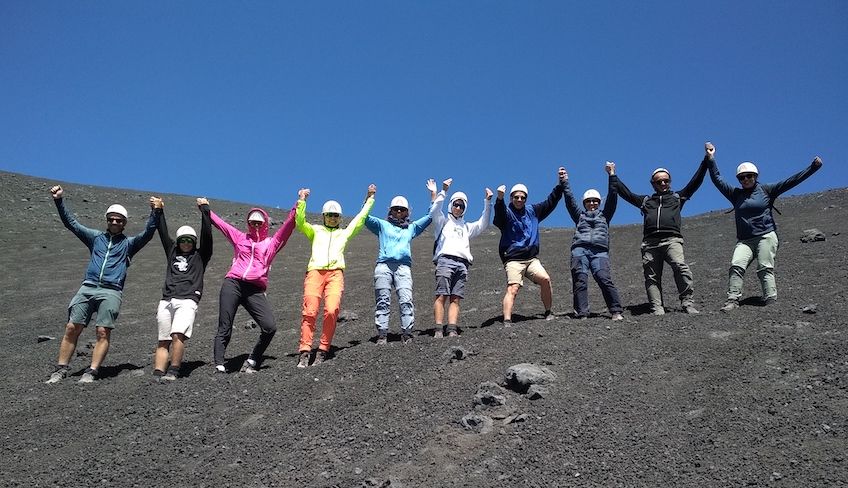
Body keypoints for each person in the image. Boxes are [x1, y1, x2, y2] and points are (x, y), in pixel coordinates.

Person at [45, 186, 161, 384]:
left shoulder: (129, 244)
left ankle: (92, 371)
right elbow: (71, 223)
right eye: (111, 219)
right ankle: (61, 369)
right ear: (107, 220)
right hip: (88, 287)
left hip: (111, 291)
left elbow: (148, 233)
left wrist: (156, 211)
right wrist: (59, 200)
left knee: (102, 331)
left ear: (124, 223)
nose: (114, 222)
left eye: (118, 220)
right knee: (72, 327)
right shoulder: (95, 238)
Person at [704, 142, 823, 311]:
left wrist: (812, 168)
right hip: (744, 240)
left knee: (764, 267)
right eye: (742, 177)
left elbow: (791, 181)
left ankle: (770, 299)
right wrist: (711, 157)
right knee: (736, 265)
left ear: (755, 176)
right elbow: (717, 179)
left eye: (749, 176)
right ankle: (732, 299)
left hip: (766, 236)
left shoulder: (766, 190)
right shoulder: (735, 194)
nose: (746, 179)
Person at [613, 148, 709, 315]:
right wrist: (612, 174)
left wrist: (707, 160)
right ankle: (657, 307)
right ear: (653, 184)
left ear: (670, 181)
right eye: (659, 182)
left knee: (681, 267)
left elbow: (695, 181)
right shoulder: (646, 201)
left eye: (666, 181)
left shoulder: (678, 198)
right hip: (650, 243)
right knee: (651, 277)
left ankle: (687, 302)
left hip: (672, 240)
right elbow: (625, 193)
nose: (663, 184)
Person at [294, 184, 376, 367]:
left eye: (336, 215)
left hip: (335, 274)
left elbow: (360, 219)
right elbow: (299, 223)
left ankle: (323, 349)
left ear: (340, 218)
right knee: (310, 311)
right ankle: (305, 351)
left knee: (332, 310)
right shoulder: (315, 230)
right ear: (324, 216)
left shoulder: (344, 234)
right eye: (329, 215)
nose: (332, 218)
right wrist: (302, 201)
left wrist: (369, 198)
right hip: (315, 272)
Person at [209, 202, 296, 373]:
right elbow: (222, 225)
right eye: (252, 222)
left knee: (270, 327)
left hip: (254, 289)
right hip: (233, 283)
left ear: (265, 223)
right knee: (225, 325)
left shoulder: (271, 243)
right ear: (248, 223)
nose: (255, 225)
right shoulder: (240, 238)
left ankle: (253, 358)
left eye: (259, 222)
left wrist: (299, 204)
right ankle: (219, 363)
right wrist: (206, 210)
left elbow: (287, 227)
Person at [493, 167, 567, 325]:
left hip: (532, 259)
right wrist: (499, 199)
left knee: (546, 280)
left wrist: (561, 184)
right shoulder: (506, 213)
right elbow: (498, 216)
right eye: (516, 197)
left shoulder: (533, 211)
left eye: (522, 197)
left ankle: (548, 311)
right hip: (513, 260)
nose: (519, 200)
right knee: (513, 288)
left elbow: (551, 201)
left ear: (526, 199)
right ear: (511, 197)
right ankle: (507, 320)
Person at [152, 197, 213, 381]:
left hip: (187, 300)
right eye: (182, 240)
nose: (186, 243)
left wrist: (205, 210)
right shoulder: (172, 251)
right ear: (178, 241)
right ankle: (158, 372)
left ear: (194, 242)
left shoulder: (201, 255)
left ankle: (174, 370)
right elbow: (162, 232)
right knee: (163, 339)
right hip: (167, 299)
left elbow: (207, 235)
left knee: (178, 334)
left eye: (190, 240)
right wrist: (159, 210)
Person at [427, 177, 493, 337]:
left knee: (456, 298)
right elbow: (434, 210)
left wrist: (487, 202)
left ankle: (451, 328)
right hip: (445, 260)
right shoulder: (442, 221)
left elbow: (483, 224)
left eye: (461, 205)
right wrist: (443, 191)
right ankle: (438, 328)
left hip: (463, 264)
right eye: (456, 204)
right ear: (451, 205)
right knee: (441, 294)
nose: (458, 207)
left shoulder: (466, 226)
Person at [365, 192, 433, 344]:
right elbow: (365, 217)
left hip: (403, 267)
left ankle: (407, 333)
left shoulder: (411, 228)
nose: (399, 212)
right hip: (384, 266)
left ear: (407, 212)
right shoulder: (382, 225)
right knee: (383, 300)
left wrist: (434, 197)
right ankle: (382, 334)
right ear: (391, 210)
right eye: (396, 209)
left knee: (406, 299)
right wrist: (369, 197)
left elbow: (429, 217)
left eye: (402, 210)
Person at [562, 162, 624, 321]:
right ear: (584, 203)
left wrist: (612, 174)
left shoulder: (605, 215)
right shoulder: (579, 216)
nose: (592, 203)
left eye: (595, 201)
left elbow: (613, 195)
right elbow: (569, 200)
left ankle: (616, 310)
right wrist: (565, 181)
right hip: (579, 251)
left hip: (600, 252)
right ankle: (582, 312)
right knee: (580, 281)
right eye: (588, 201)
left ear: (599, 202)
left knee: (604, 278)